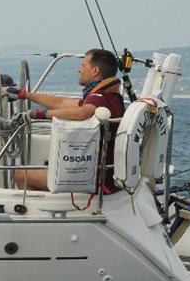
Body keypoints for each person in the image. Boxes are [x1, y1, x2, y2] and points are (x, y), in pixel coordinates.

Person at [10, 48, 125, 191]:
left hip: (93, 179)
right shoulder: (110, 96)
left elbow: (81, 113)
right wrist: (25, 95)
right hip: (102, 175)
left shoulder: (99, 97)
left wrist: (38, 115)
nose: (79, 70)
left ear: (95, 71)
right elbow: (62, 103)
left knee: (21, 175)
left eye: (83, 65)